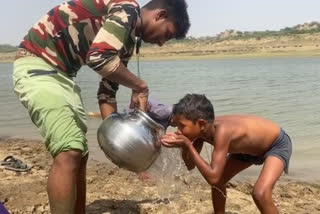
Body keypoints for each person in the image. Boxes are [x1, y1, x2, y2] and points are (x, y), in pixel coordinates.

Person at [12, 0, 190, 213]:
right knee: (69, 151)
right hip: (38, 65)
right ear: (160, 15)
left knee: (80, 154)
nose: (162, 43)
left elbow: (107, 93)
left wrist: (119, 141)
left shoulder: (127, 42)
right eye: (167, 34)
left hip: (63, 77)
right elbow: (98, 57)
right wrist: (140, 86)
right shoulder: (127, 8)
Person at [161, 94, 292, 214]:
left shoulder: (222, 131)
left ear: (201, 123)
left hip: (275, 144)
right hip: (245, 150)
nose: (179, 131)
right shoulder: (200, 132)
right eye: (177, 126)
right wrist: (185, 146)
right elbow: (190, 165)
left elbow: (212, 176)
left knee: (260, 193)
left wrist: (188, 145)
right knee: (218, 183)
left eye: (182, 126)